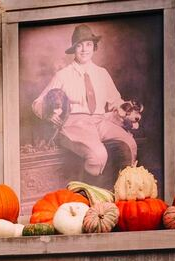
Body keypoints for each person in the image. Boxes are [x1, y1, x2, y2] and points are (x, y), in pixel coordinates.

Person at [32, 24, 137, 177]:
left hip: (100, 121)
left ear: (94, 47)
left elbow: (116, 101)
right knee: (98, 155)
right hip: (75, 124)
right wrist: (48, 113)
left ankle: (126, 189)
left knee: (130, 144)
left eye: (88, 44)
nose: (84, 50)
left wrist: (127, 111)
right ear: (74, 49)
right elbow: (37, 103)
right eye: (79, 46)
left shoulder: (102, 73)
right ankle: (89, 193)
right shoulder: (63, 75)